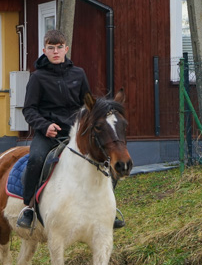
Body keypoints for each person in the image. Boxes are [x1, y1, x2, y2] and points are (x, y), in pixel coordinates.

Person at [17, 29, 125, 230]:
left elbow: (88, 103)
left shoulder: (79, 74)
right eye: (51, 48)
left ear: (66, 49)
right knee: (36, 160)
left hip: (77, 133)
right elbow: (29, 110)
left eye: (59, 48)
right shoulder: (37, 78)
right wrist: (44, 125)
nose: (55, 52)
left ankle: (109, 209)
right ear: (44, 50)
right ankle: (29, 208)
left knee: (107, 160)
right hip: (49, 134)